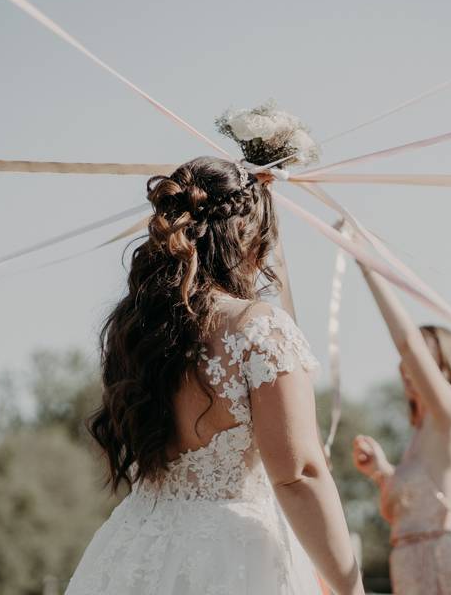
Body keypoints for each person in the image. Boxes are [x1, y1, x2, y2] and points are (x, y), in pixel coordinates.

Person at [65, 157, 364, 595]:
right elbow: (298, 474)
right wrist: (351, 589)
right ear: (245, 235)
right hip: (233, 555)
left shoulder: (136, 330)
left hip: (136, 546)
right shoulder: (258, 328)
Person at [351, 264, 451, 594]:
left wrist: (367, 268)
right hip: (407, 568)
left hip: (444, 568)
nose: (409, 366)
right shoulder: (418, 433)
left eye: (423, 360)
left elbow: (408, 344)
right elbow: (411, 509)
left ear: (444, 367)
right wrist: (381, 472)